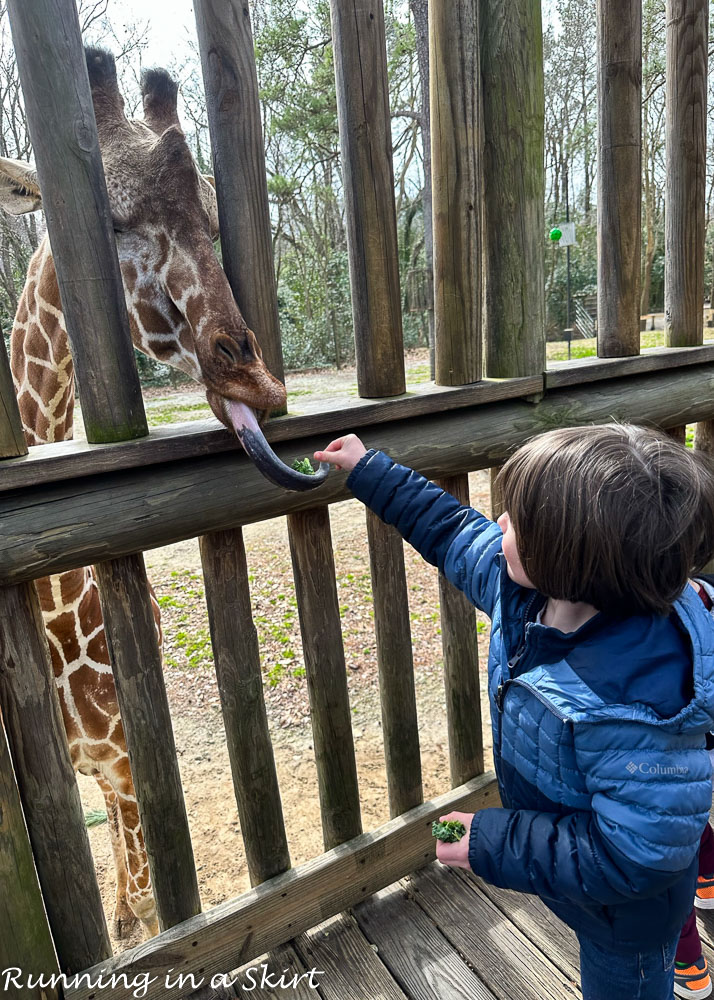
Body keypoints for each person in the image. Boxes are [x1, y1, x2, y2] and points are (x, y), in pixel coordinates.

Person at [314, 422, 714, 1000]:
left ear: (570, 559)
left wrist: (485, 839)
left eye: (518, 523)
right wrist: (368, 470)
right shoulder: (529, 591)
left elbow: (635, 860)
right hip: (583, 890)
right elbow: (451, 529)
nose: (499, 524)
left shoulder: (636, 707)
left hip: (627, 920)